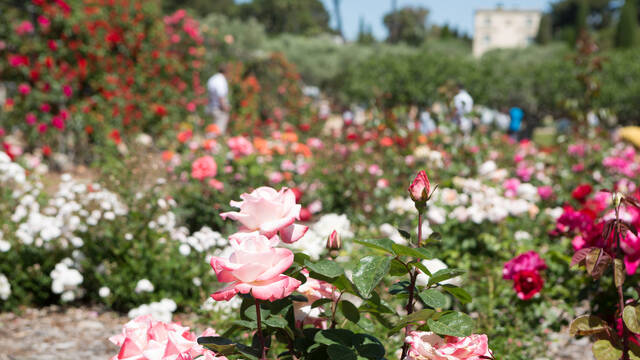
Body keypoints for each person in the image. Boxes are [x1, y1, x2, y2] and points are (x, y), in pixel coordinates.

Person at [207, 65, 230, 134]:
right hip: (219, 108)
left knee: (212, 129)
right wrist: (225, 107)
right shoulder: (221, 80)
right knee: (218, 131)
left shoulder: (213, 79)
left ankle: (208, 143)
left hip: (211, 106)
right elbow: (221, 95)